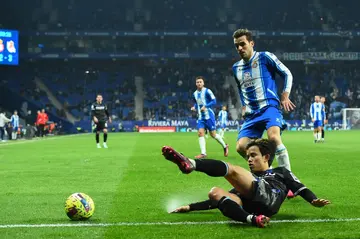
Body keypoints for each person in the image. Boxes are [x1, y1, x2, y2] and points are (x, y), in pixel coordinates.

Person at [161, 139, 330, 228]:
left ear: (266, 157)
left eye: (253, 155)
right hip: (253, 206)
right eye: (248, 156)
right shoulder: (248, 181)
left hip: (269, 195)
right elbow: (217, 201)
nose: (249, 159)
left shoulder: (280, 172)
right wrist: (190, 207)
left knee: (233, 170)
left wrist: (313, 200)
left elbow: (300, 187)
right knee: (215, 193)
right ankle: (252, 220)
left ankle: (191, 163)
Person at [232, 29, 295, 173]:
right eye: (237, 46)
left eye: (243, 44)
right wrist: (243, 106)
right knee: (241, 147)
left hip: (269, 107)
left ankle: (290, 181)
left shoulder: (265, 57)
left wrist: (285, 95)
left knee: (273, 137)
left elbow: (287, 73)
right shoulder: (236, 68)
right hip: (252, 114)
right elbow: (240, 88)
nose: (240, 48)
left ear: (252, 43)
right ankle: (269, 172)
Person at [191, 76, 228, 159]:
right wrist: (194, 107)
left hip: (209, 116)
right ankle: (203, 153)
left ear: (203, 83)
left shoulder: (207, 91)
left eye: (200, 82)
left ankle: (225, 146)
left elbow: (214, 101)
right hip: (201, 117)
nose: (199, 83)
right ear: (196, 83)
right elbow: (197, 103)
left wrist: (206, 106)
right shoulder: (195, 94)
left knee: (213, 135)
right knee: (200, 133)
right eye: (197, 82)